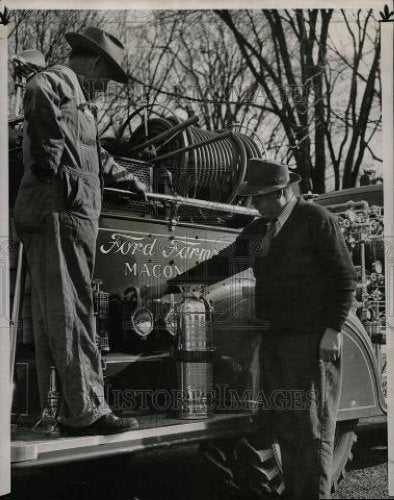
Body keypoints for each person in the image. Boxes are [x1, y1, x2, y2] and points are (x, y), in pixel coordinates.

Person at [145, 159, 357, 499]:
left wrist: (333, 330)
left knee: (311, 429)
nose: (253, 205)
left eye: (258, 198)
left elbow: (344, 279)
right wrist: (167, 287)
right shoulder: (261, 230)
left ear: (283, 192)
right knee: (285, 427)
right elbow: (222, 264)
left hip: (310, 340)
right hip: (274, 339)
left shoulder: (316, 220)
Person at [13, 27, 147, 436]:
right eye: (106, 77)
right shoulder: (55, 81)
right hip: (60, 213)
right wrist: (48, 161)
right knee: (73, 314)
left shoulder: (78, 102)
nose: (106, 87)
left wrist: (129, 179)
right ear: (91, 63)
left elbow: (93, 152)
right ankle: (87, 411)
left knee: (60, 314)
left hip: (70, 216)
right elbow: (35, 91)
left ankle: (63, 410)